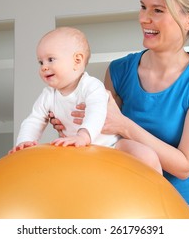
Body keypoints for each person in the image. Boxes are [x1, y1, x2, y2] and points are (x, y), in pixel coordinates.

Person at [50, 0, 189, 218]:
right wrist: (71, 126)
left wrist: (124, 125)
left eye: (157, 10)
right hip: (139, 201)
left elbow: (185, 166)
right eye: (143, 7)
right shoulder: (119, 71)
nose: (143, 18)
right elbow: (104, 140)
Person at [10, 27, 162, 175]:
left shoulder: (91, 86)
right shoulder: (48, 95)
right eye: (40, 62)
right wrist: (24, 142)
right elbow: (34, 119)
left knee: (146, 155)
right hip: (78, 150)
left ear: (77, 60)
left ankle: (159, 192)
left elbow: (96, 112)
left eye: (50, 59)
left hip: (112, 145)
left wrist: (83, 136)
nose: (44, 67)